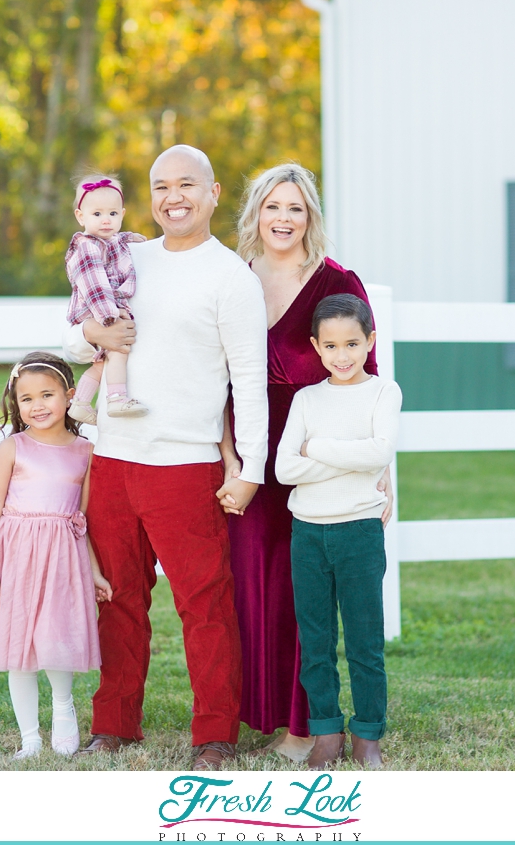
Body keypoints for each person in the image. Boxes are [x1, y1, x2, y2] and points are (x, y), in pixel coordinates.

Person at [60, 145, 268, 771]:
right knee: (119, 599)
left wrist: (252, 468)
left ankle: (214, 735)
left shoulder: (232, 276)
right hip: (115, 459)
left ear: (212, 191)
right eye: (160, 186)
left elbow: (249, 381)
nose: (172, 197)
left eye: (186, 184)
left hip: (185, 464)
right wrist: (94, 335)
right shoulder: (126, 254)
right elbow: (72, 335)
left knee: (203, 603)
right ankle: (115, 723)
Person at [217, 163, 391, 762]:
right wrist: (229, 460)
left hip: (320, 460)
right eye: (272, 207)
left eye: (295, 207)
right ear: (255, 215)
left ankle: (304, 727)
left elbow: (369, 377)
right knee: (253, 589)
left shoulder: (337, 282)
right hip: (252, 461)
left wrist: (380, 473)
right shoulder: (234, 280)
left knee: (303, 595)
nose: (283, 219)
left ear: (309, 215)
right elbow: (214, 379)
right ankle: (268, 715)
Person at [274, 293, 402, 770]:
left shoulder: (383, 393)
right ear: (316, 346)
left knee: (365, 639)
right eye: (331, 346)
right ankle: (326, 730)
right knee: (316, 639)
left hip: (359, 532)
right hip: (308, 533)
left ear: (370, 340)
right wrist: (348, 458)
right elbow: (286, 469)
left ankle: (368, 732)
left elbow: (378, 453)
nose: (342, 356)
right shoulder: (307, 399)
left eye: (352, 343)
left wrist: (318, 449)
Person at [0, 351, 113, 759]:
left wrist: (95, 572)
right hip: (15, 557)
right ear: (16, 404)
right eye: (26, 398)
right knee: (19, 648)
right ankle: (30, 737)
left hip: (61, 559)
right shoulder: (13, 448)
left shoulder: (86, 451)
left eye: (47, 395)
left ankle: (64, 711)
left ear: (69, 396)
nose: (37, 405)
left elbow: (80, 519)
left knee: (56, 637)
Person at [64, 173, 149, 424]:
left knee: (104, 362)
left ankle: (79, 403)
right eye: (97, 214)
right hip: (98, 309)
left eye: (112, 214)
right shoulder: (86, 246)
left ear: (122, 214)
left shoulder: (110, 241)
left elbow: (117, 241)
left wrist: (130, 237)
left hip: (103, 308)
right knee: (118, 348)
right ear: (81, 217)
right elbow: (94, 285)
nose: (106, 220)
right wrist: (110, 315)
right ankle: (117, 399)